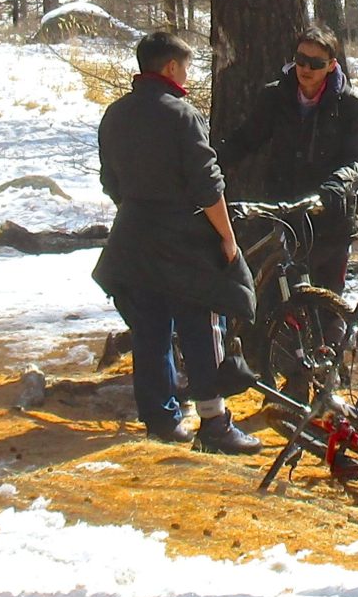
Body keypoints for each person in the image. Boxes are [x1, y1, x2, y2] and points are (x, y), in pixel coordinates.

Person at [91, 31, 262, 454]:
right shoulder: (181, 115)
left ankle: (162, 420)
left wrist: (139, 206)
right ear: (170, 67)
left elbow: (109, 181)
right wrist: (227, 238)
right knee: (202, 329)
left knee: (150, 333)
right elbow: (208, 186)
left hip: (132, 238)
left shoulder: (115, 114)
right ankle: (214, 424)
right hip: (184, 244)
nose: (187, 74)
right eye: (185, 66)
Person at [216, 24, 358, 289]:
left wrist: (338, 184)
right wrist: (210, 165)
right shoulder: (275, 96)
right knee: (280, 300)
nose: (306, 69)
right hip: (283, 213)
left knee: (326, 306)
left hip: (330, 218)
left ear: (331, 65)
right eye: (300, 60)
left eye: (316, 63)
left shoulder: (349, 105)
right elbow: (245, 140)